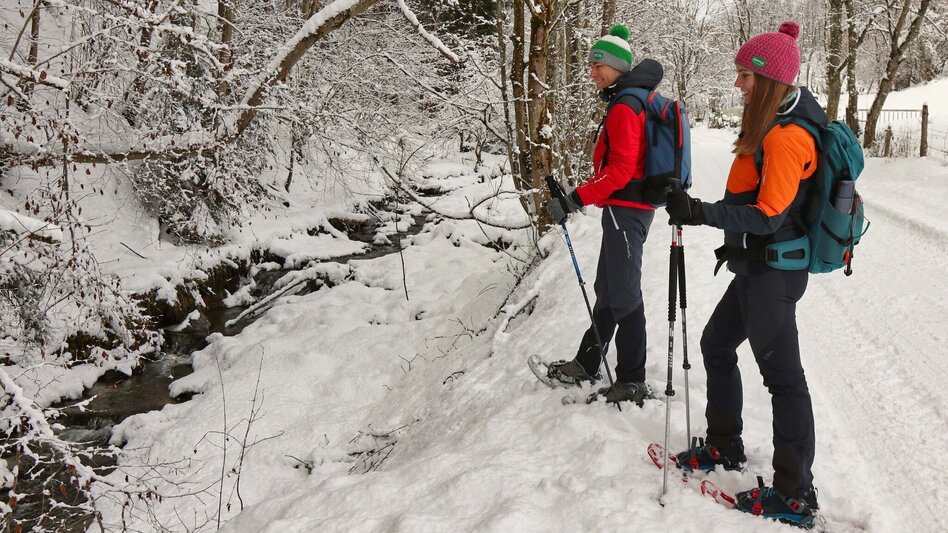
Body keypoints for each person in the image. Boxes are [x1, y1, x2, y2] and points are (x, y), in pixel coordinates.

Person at [664, 21, 821, 527]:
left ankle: (795, 494)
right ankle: (724, 445)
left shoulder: (788, 137)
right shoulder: (771, 127)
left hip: (774, 274)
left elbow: (769, 214)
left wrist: (701, 212)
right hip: (758, 268)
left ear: (768, 81)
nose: (738, 85)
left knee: (784, 379)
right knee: (716, 344)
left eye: (745, 77)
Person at [544, 25, 663, 406]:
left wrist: (574, 198)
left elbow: (620, 172)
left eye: (598, 65)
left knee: (625, 294)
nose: (592, 72)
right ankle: (587, 362)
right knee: (609, 290)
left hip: (627, 211)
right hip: (623, 210)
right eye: (592, 65)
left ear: (616, 67)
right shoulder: (627, 100)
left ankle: (632, 379)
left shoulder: (626, 106)